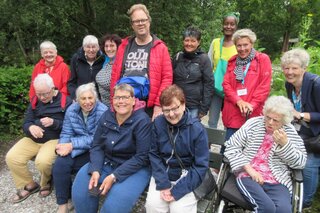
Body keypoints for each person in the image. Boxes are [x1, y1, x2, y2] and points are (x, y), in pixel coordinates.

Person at [72, 83, 152, 213]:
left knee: (113, 207)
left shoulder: (142, 121)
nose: (121, 101)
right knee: (80, 193)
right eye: (117, 98)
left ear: (133, 100)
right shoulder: (107, 116)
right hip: (106, 162)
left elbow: (142, 157)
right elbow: (97, 145)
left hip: (134, 168)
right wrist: (96, 169)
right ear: (112, 100)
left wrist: (114, 176)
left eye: (125, 97)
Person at [224, 95, 307, 212]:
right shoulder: (253, 124)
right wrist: (249, 169)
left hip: (277, 179)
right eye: (268, 117)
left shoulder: (290, 132)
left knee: (283, 210)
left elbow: (300, 162)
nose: (270, 122)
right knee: (267, 208)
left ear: (284, 121)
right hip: (248, 175)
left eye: (275, 120)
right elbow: (231, 147)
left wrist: (285, 145)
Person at [6, 74, 72, 203]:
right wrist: (30, 127)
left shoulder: (66, 101)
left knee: (42, 161)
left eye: (45, 94)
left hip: (54, 139)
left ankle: (45, 182)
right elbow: (26, 122)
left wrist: (54, 123)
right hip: (33, 139)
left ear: (53, 89)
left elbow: (72, 126)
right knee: (12, 157)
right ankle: (29, 184)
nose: (42, 97)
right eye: (39, 94)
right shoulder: (35, 101)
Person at [145, 85, 209, 213]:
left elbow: (200, 166)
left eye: (175, 108)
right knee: (153, 206)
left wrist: (177, 191)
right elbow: (154, 154)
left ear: (183, 105)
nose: (171, 114)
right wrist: (163, 184)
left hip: (187, 177)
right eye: (166, 110)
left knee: (179, 209)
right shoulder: (158, 124)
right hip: (163, 174)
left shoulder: (197, 129)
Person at [110, 3, 173, 121]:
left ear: (149, 21)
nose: (140, 23)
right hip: (124, 102)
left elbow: (167, 78)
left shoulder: (160, 47)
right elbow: (115, 75)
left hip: (147, 105)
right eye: (136, 21)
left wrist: (159, 105)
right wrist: (113, 101)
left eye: (143, 20)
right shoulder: (124, 46)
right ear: (132, 25)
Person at [52, 83, 107, 213]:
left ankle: (81, 201)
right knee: (60, 164)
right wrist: (62, 147)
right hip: (77, 148)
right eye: (83, 98)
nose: (87, 102)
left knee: (83, 170)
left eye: (90, 98)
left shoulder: (103, 111)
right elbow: (66, 132)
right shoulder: (72, 110)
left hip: (95, 151)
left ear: (96, 98)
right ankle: (63, 205)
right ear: (77, 100)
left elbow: (96, 138)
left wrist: (72, 145)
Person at [281, 48, 320, 209]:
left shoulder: (316, 84)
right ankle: (292, 195)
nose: (289, 72)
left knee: (309, 164)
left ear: (304, 68)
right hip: (300, 132)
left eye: (294, 68)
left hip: (315, 136)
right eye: (286, 68)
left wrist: (301, 115)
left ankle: (305, 203)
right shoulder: (289, 85)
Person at [222, 28, 272, 140]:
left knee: (250, 152)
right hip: (234, 112)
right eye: (239, 45)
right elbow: (226, 85)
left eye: (245, 45)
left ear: (252, 44)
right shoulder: (232, 61)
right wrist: (238, 101)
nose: (242, 49)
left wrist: (251, 105)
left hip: (253, 113)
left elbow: (264, 87)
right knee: (229, 149)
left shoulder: (262, 59)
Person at [172, 26, 214, 119]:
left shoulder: (204, 59)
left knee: (191, 132)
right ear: (183, 41)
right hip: (175, 103)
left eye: (193, 41)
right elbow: (170, 79)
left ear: (198, 42)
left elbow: (209, 84)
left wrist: (204, 108)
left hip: (193, 106)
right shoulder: (178, 57)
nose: (189, 44)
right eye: (187, 40)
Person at [207, 12, 239, 128]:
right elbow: (208, 65)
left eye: (232, 24)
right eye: (226, 24)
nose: (229, 27)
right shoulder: (215, 42)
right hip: (215, 88)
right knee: (212, 122)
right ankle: (208, 145)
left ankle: (226, 146)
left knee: (229, 122)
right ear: (222, 25)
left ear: (236, 27)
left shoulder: (238, 45)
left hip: (231, 90)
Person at [68, 35, 105, 100]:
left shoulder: (103, 59)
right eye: (88, 47)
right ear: (83, 48)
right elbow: (72, 82)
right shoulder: (76, 59)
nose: (91, 50)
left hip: (99, 99)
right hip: (81, 98)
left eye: (94, 47)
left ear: (98, 47)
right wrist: (75, 96)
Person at [95, 34, 122, 106]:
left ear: (118, 47)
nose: (109, 49)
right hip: (103, 106)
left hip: (115, 108)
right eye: (106, 46)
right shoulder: (106, 62)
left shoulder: (122, 65)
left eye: (112, 45)